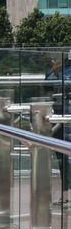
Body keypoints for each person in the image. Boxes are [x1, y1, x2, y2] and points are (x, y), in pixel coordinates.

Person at [46, 58, 71, 204]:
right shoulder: (53, 71)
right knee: (61, 156)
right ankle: (65, 194)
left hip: (66, 116)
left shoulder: (64, 71)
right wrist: (55, 71)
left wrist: (58, 73)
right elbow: (47, 85)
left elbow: (66, 85)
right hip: (58, 116)